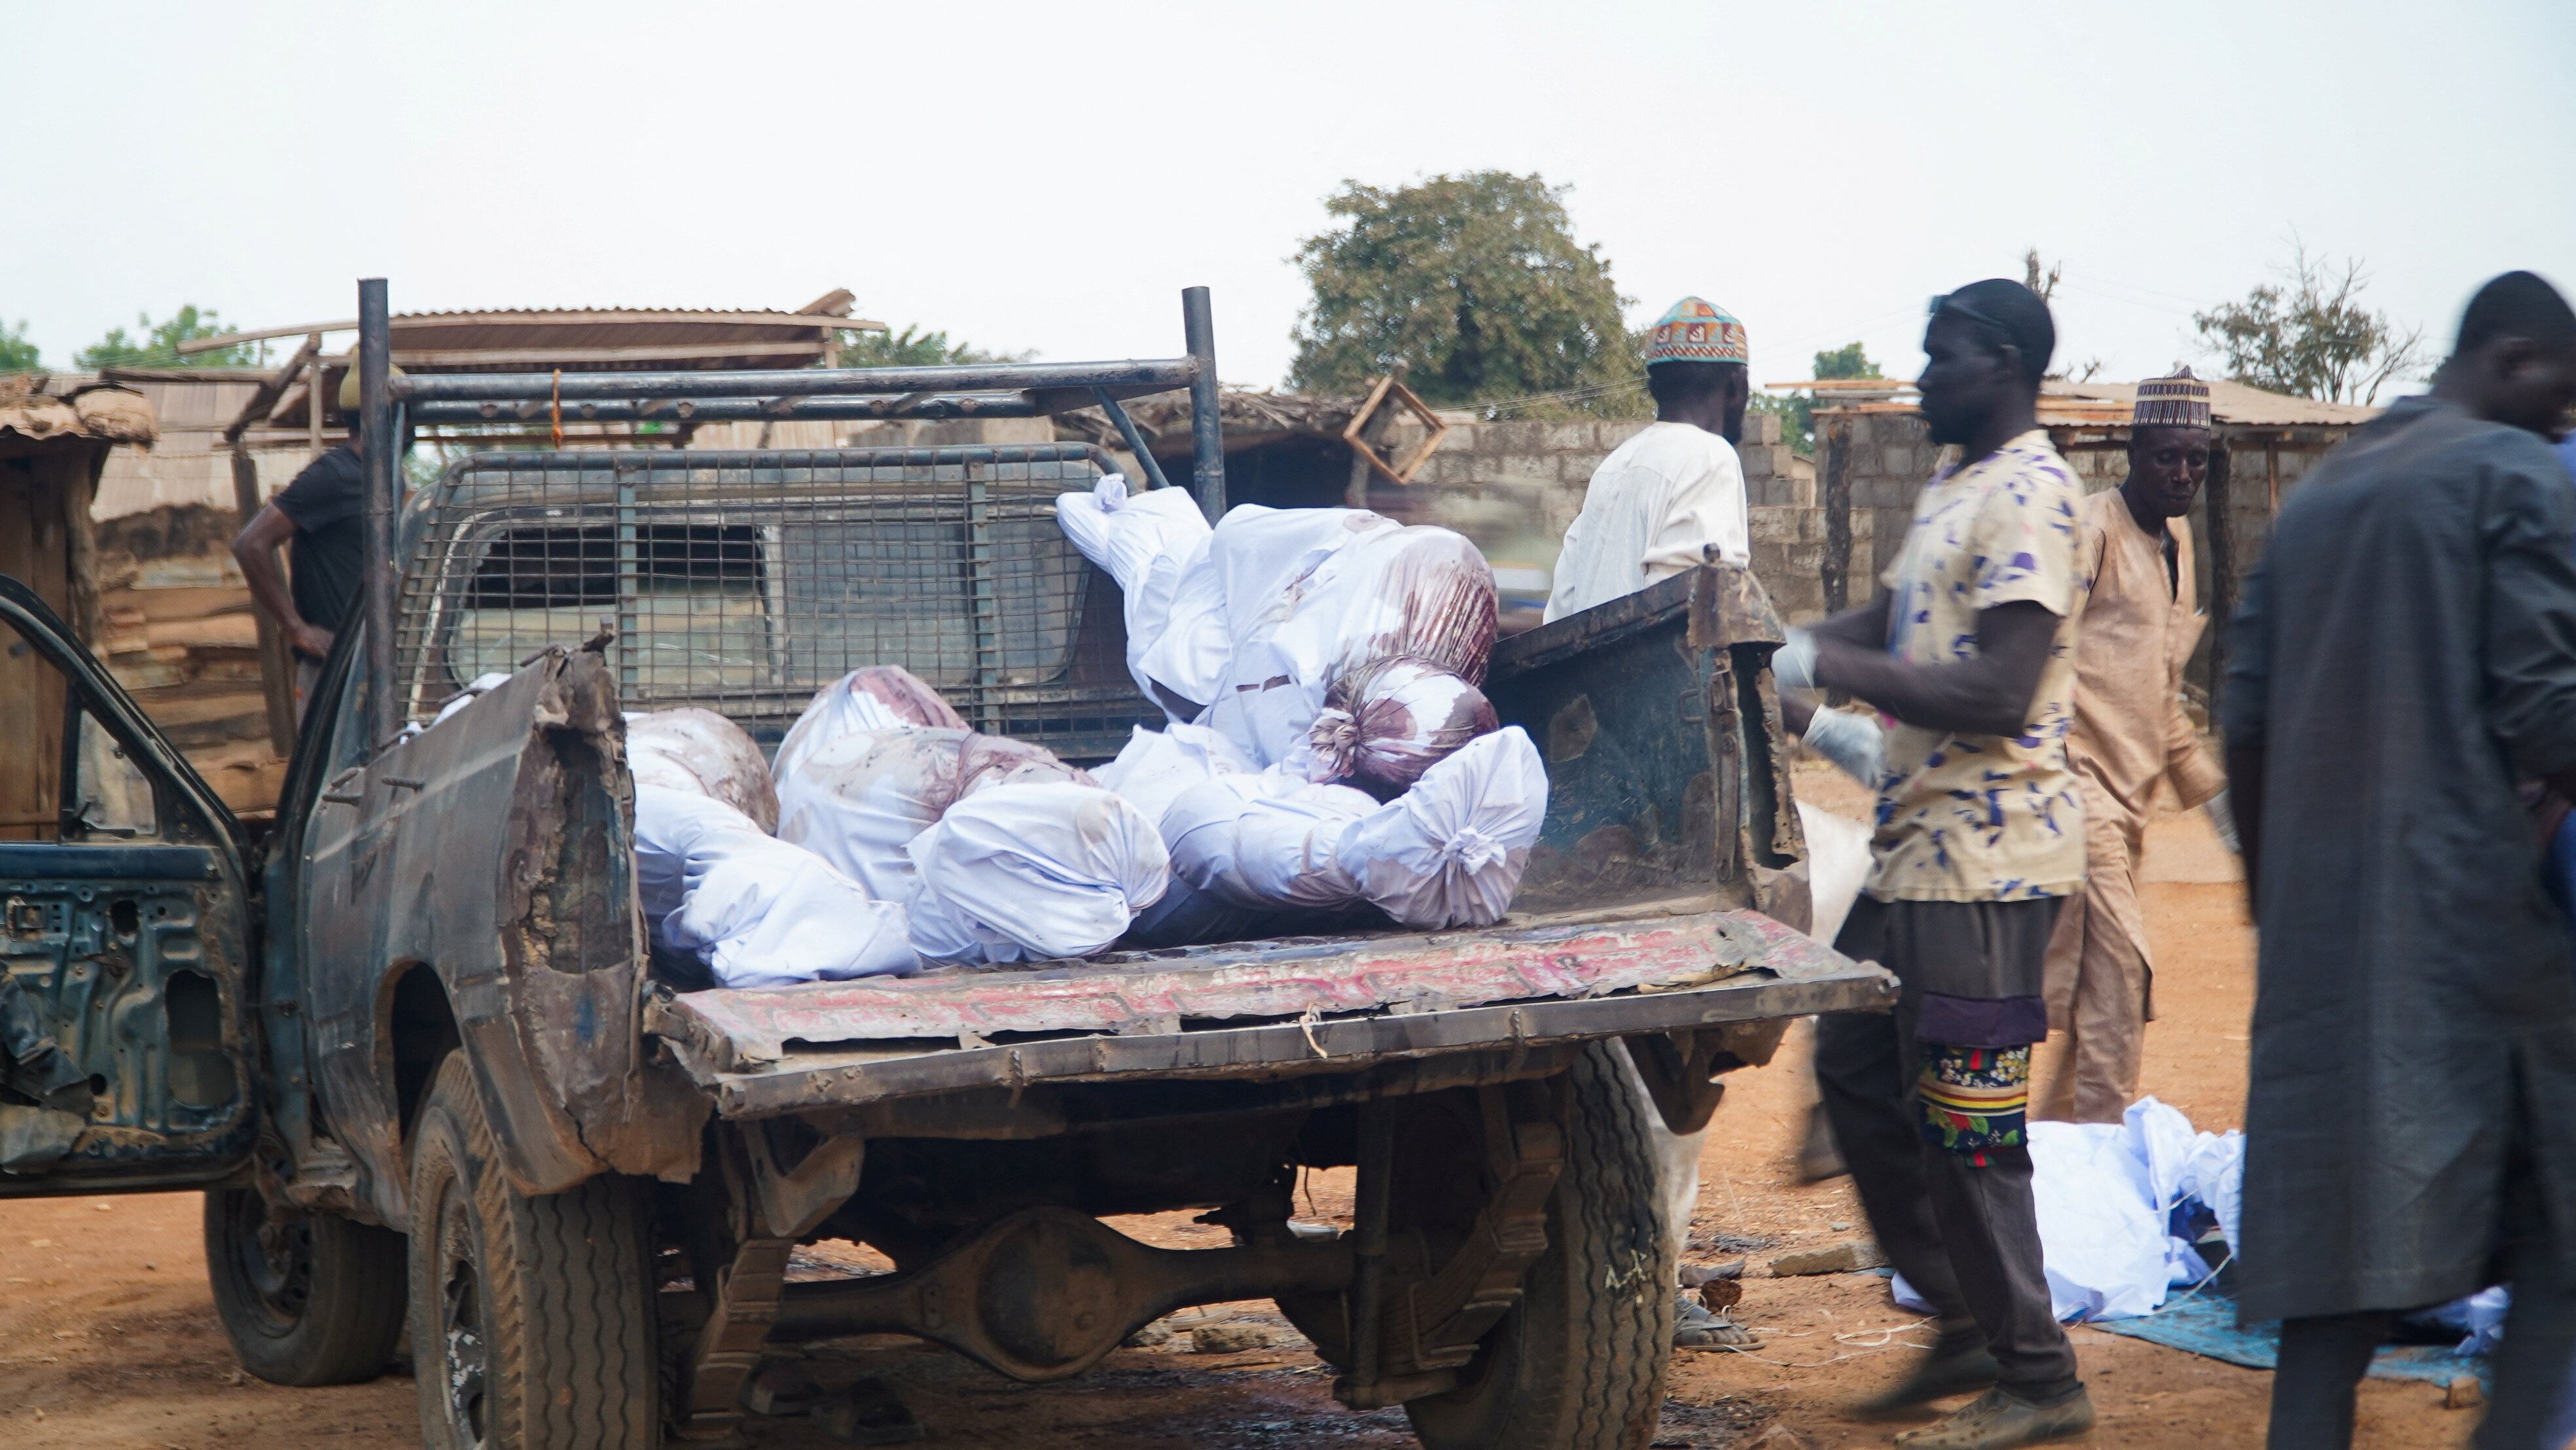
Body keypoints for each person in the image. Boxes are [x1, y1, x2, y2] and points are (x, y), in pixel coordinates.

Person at [2222, 271, 2576, 1450]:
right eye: (2562, 399)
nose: (2563, 425)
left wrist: (2284, 913)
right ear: (2517, 359)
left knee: (2331, 1285)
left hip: (2325, 950)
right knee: (2560, 1237)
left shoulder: (2320, 497)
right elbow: (2545, 714)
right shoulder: (2508, 474)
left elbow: (2247, 725)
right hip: (2474, 942)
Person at [1777, 277, 2095, 1446]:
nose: (1919, 377)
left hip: (1992, 862)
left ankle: (2038, 1374)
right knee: (1858, 1066)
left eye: (1938, 356)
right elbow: (1898, 618)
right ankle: (1963, 1318)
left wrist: (1828, 674)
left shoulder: (2032, 494)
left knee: (1969, 1123)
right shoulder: (1958, 486)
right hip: (1920, 854)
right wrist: (1792, 643)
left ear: (2002, 364)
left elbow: (1999, 691)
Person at [2030, 370, 2229, 1125]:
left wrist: (2217, 802)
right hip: (2078, 795)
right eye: (2166, 458)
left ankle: (2058, 1162)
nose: (2182, 474)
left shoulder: (2176, 542)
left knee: (2095, 1001)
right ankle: (2103, 1152)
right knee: (2120, 980)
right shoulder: (2092, 530)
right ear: (2134, 450)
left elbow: (2163, 695)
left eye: (2197, 460)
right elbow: (2041, 655)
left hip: (2132, 802)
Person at [1545, 296, 1752, 622]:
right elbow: (1698, 615)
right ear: (1738, 386)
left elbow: (1562, 608)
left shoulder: (1611, 467)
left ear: (1653, 386)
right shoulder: (1710, 457)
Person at [232, 412, 365, 720]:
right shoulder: (335, 475)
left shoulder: (386, 480)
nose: (409, 433)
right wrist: (297, 629)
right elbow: (250, 544)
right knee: (331, 767)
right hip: (330, 670)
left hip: (367, 665)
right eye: (407, 420)